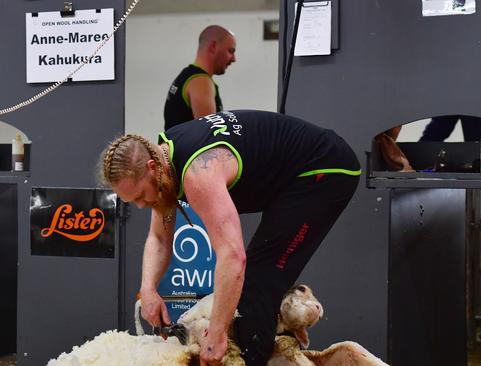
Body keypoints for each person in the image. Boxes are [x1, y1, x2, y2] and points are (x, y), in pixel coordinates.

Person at [100, 110, 360, 365]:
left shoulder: (198, 174)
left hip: (325, 168)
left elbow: (233, 257)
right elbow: (159, 238)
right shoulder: (164, 160)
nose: (142, 205)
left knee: (259, 282)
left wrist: (216, 334)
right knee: (257, 285)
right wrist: (148, 289)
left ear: (152, 166)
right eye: (132, 201)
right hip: (293, 176)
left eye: (141, 195)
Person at [163, 25, 237, 130]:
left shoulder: (186, 76)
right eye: (230, 51)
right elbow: (209, 137)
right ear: (213, 46)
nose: (234, 59)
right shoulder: (201, 82)